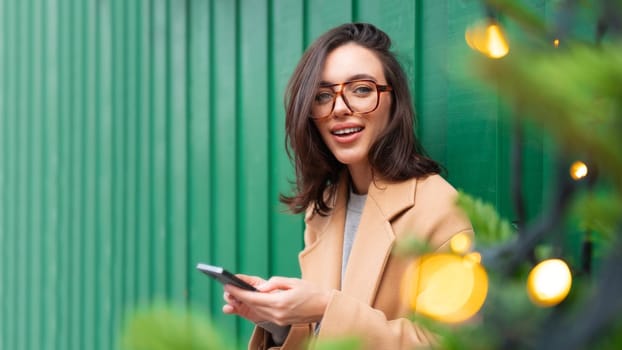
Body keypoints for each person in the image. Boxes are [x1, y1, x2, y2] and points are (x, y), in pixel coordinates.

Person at [222, 22, 473, 350]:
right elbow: (325, 334)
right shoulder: (324, 207)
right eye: (323, 95)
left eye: (362, 89)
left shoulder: (439, 208)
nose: (339, 108)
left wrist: (325, 307)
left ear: (393, 102)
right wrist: (280, 322)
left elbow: (453, 343)